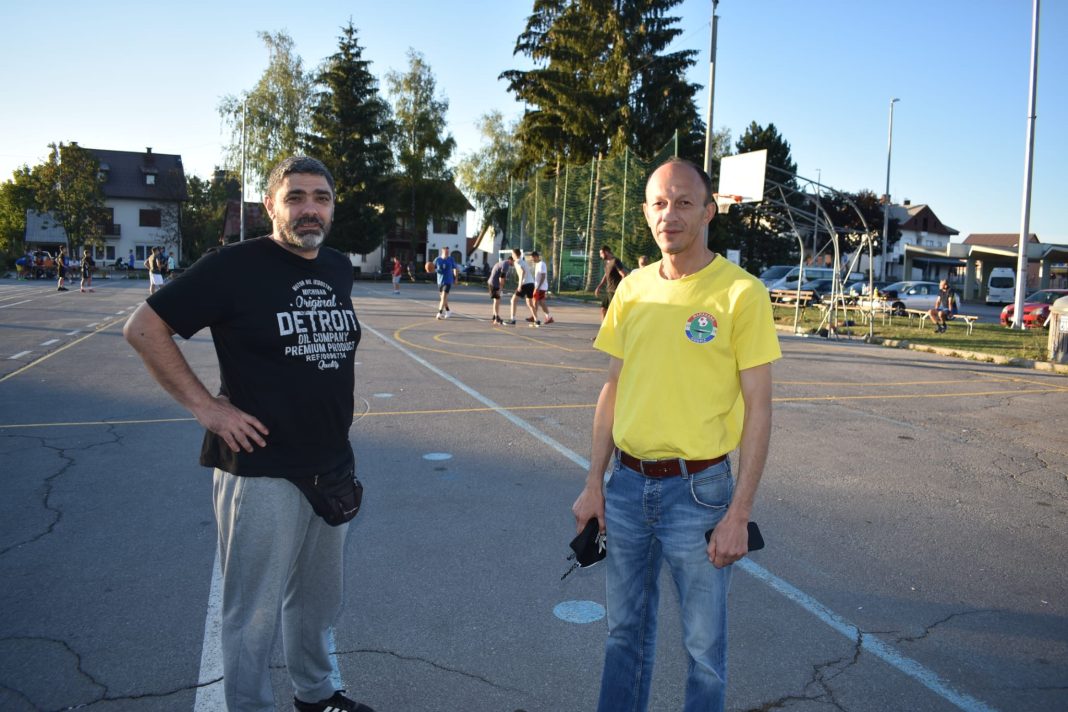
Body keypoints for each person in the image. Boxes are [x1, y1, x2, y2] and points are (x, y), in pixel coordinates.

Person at [123, 156, 373, 712]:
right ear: (271, 206)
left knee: (316, 602)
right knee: (252, 614)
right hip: (262, 470)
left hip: (332, 463)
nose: (310, 209)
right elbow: (143, 328)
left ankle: (316, 695)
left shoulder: (337, 267)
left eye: (321, 198)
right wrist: (207, 408)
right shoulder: (233, 266)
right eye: (296, 197)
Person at [571, 157, 780, 712]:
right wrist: (593, 484)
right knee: (623, 635)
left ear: (709, 211)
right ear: (646, 213)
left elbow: (760, 409)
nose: (671, 214)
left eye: (685, 202)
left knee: (703, 650)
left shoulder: (741, 293)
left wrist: (739, 514)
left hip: (700, 492)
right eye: (660, 203)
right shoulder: (632, 289)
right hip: (625, 488)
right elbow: (612, 389)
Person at [593, 245, 628, 320]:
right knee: (603, 309)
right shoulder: (606, 262)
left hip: (614, 291)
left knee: (613, 312)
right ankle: (604, 326)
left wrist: (619, 288)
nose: (600, 255)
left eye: (601, 253)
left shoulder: (615, 261)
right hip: (609, 290)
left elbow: (624, 274)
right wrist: (599, 286)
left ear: (606, 252)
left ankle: (616, 326)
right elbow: (606, 275)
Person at [507, 248, 539, 326]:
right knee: (530, 303)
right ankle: (536, 320)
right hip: (531, 283)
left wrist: (519, 285)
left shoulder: (516, 262)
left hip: (525, 284)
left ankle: (512, 319)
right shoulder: (523, 261)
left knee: (513, 300)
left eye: (512, 254)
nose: (512, 255)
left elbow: (522, 272)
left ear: (514, 255)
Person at [486, 253, 514, 325]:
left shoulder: (503, 263)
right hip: (493, 283)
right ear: (511, 260)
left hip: (491, 282)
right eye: (514, 262)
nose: (514, 264)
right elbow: (502, 277)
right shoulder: (506, 264)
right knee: (497, 300)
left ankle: (494, 317)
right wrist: (500, 289)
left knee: (496, 300)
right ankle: (496, 317)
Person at [529, 250, 555, 325]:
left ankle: (535, 317)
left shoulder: (542, 264)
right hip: (538, 286)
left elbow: (543, 276)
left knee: (536, 302)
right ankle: (547, 317)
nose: (532, 260)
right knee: (540, 302)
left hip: (541, 287)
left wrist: (538, 287)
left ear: (536, 257)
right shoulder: (538, 264)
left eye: (533, 258)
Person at [433, 246, 458, 319]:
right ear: (442, 251)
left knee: (443, 296)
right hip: (440, 281)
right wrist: (429, 269)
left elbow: (455, 268)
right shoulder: (437, 259)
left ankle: (439, 313)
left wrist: (456, 278)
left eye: (448, 252)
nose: (447, 253)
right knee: (443, 299)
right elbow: (432, 267)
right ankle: (448, 311)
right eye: (446, 252)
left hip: (448, 281)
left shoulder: (451, 259)